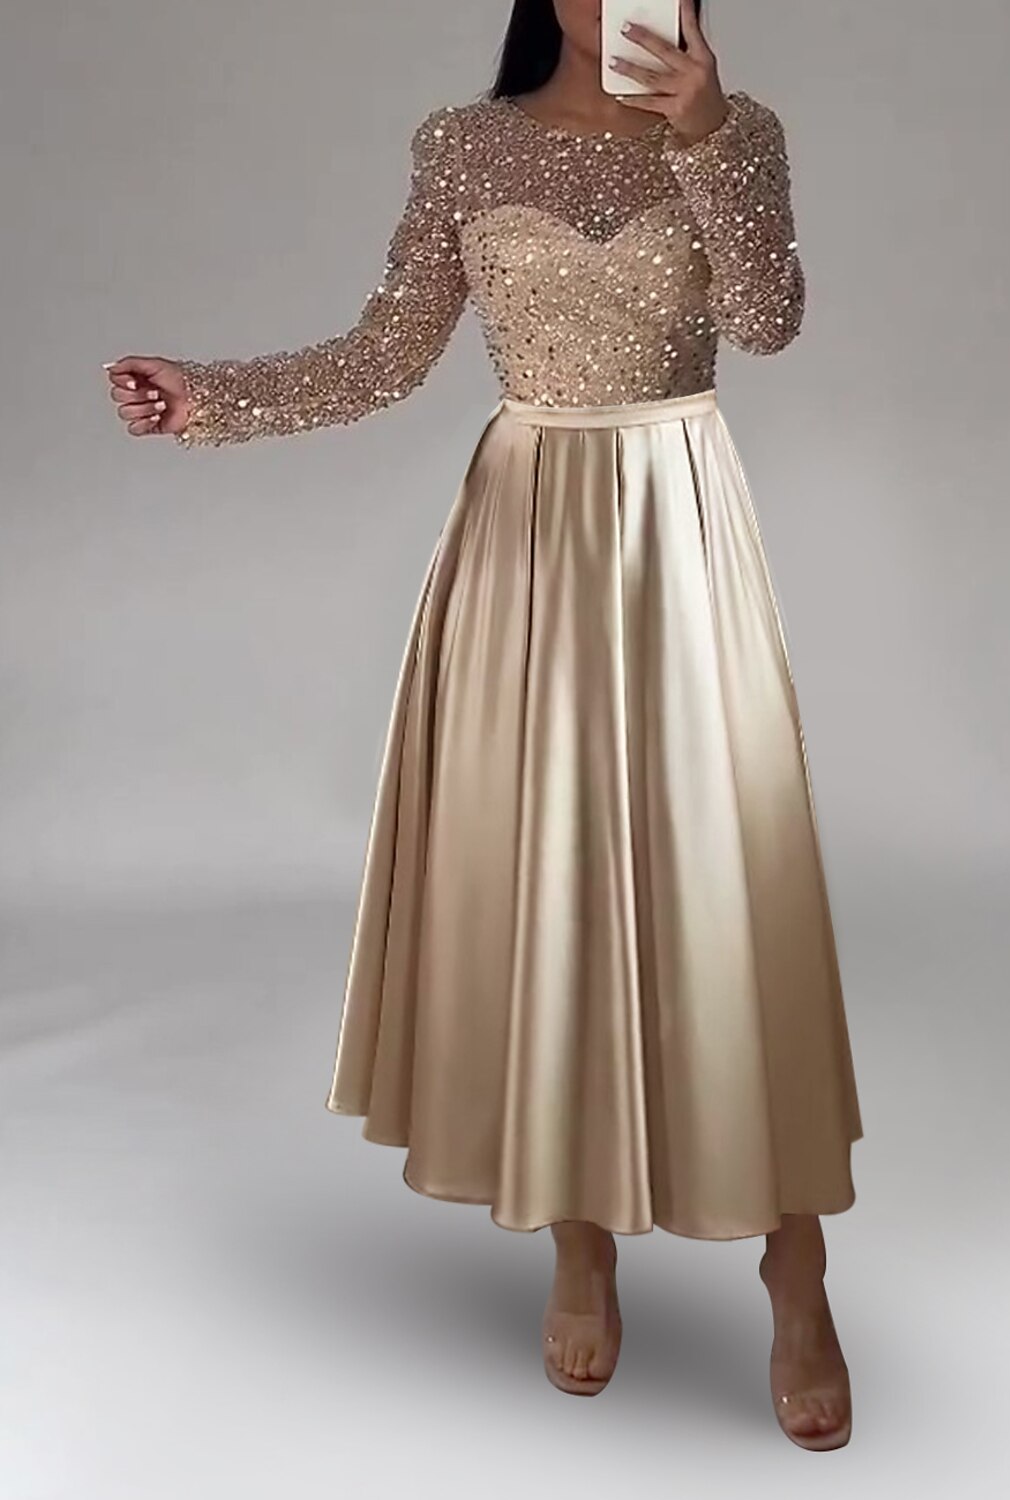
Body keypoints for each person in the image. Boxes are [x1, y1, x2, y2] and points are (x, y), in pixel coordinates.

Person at [103, 0, 863, 1450]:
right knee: (542, 883)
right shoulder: (463, 143)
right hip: (526, 541)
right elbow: (388, 355)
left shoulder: (738, 132)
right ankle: (577, 1238)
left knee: (725, 884)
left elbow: (769, 321)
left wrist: (708, 136)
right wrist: (212, 399)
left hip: (678, 529)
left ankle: (795, 1261)